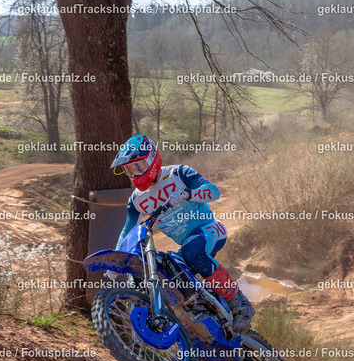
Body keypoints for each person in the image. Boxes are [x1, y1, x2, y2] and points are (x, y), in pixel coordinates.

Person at [108, 134, 254, 331]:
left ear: (152, 159)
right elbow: (128, 230)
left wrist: (188, 194)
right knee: (168, 272)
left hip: (210, 229)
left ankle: (240, 304)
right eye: (129, 170)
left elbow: (213, 191)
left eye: (139, 167)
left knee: (193, 250)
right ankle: (206, 313)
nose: (135, 174)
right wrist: (116, 262)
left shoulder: (178, 173)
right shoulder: (136, 199)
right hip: (186, 245)